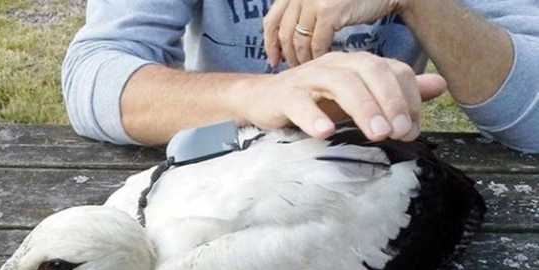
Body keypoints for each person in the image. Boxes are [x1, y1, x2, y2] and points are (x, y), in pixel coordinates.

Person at [61, 0, 539, 154]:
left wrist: (417, 2)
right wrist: (259, 95)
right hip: (220, 159)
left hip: (377, 174)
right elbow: (94, 75)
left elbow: (532, 120)